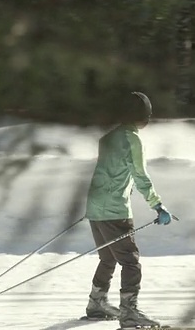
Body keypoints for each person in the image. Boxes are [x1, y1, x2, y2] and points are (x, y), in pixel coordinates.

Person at [84, 91, 173, 328]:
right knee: (130, 262)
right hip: (115, 211)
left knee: (108, 257)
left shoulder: (108, 138)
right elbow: (140, 175)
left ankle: (97, 303)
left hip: (95, 207)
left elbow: (112, 172)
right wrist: (157, 205)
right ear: (143, 118)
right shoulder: (133, 139)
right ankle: (129, 312)